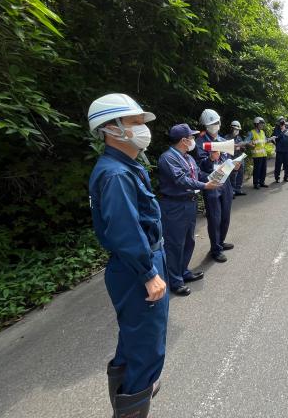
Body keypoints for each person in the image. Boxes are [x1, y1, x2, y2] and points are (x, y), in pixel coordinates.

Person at [88, 93, 168, 417]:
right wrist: (149, 274)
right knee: (147, 350)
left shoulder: (125, 166)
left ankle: (128, 398)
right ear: (111, 128)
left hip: (138, 263)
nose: (142, 128)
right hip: (138, 266)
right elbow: (125, 229)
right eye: (135, 122)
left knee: (133, 342)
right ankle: (133, 401)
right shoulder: (116, 173)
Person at [158, 124, 221, 297]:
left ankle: (183, 271)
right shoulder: (168, 158)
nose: (194, 140)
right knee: (174, 244)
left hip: (189, 203)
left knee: (188, 241)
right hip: (174, 206)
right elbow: (180, 180)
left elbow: (199, 174)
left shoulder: (188, 157)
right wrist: (205, 186)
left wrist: (212, 163)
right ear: (184, 141)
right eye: (191, 137)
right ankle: (175, 281)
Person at [196, 109, 240, 263]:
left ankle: (220, 242)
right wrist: (210, 158)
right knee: (214, 217)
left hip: (225, 179)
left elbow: (227, 159)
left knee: (225, 215)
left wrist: (235, 165)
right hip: (212, 181)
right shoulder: (200, 142)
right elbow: (201, 165)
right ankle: (215, 249)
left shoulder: (222, 140)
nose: (215, 125)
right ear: (205, 125)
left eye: (216, 123)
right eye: (211, 124)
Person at [225, 120, 247, 196]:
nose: (237, 131)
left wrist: (242, 148)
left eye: (238, 130)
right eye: (235, 129)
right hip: (231, 159)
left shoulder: (239, 138)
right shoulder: (227, 138)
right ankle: (232, 191)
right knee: (232, 175)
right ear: (231, 129)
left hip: (240, 158)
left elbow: (243, 148)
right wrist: (235, 147)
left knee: (240, 174)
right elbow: (225, 149)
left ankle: (238, 189)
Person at [246, 117, 269, 189]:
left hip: (263, 154)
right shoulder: (251, 132)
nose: (262, 125)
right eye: (261, 124)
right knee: (257, 170)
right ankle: (256, 183)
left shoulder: (262, 132)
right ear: (256, 124)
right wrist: (251, 144)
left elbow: (265, 141)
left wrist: (270, 139)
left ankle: (262, 182)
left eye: (262, 124)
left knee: (263, 169)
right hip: (256, 155)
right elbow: (246, 141)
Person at [272, 117, 288, 182]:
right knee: (278, 165)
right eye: (281, 123)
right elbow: (275, 139)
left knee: (287, 164)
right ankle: (277, 178)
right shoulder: (276, 130)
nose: (282, 124)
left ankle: (286, 177)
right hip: (279, 150)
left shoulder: (287, 130)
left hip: (287, 150)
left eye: (283, 123)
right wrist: (282, 132)